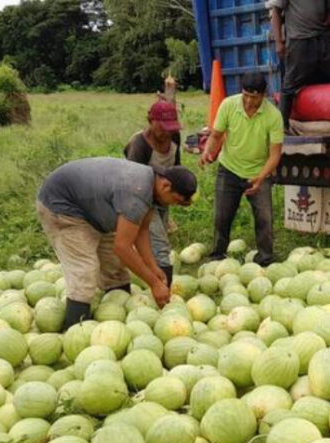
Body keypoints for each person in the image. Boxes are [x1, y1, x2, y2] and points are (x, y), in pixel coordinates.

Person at [36, 157, 197, 330]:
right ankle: (74, 330)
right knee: (85, 270)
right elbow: (122, 247)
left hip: (93, 211)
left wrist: (153, 267)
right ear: (166, 186)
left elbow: (141, 231)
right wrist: (155, 284)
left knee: (114, 266)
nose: (173, 205)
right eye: (175, 200)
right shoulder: (138, 191)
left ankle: (116, 321)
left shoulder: (152, 188)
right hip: (63, 207)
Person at [200, 72, 284, 266]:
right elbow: (216, 134)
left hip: (258, 172)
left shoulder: (273, 116)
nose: (248, 101)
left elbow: (275, 155)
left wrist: (261, 178)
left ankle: (265, 259)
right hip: (229, 169)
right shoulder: (229, 105)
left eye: (253, 97)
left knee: (264, 218)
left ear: (263, 96)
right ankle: (218, 255)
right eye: (245, 95)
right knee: (222, 215)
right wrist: (207, 152)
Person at [123, 99, 183, 286]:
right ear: (151, 120)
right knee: (160, 245)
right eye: (163, 126)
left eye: (171, 127)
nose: (167, 132)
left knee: (158, 239)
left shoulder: (174, 137)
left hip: (163, 196)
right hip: (142, 199)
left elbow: (176, 168)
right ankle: (164, 291)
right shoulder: (140, 145)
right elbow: (133, 186)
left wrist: (180, 193)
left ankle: (152, 279)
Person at [269, 0, 330, 129]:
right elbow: (276, 11)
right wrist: (278, 42)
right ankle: (281, 127)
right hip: (299, 40)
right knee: (290, 85)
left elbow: (329, 10)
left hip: (323, 38)